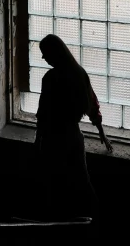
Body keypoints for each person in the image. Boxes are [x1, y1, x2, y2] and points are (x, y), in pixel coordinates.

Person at [34, 34, 113, 220]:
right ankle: (94, 219)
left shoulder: (51, 78)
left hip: (54, 139)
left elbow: (43, 114)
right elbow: (93, 104)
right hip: (74, 137)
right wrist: (101, 132)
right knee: (81, 180)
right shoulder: (79, 73)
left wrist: (38, 140)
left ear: (54, 53)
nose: (43, 58)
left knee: (55, 184)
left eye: (45, 53)